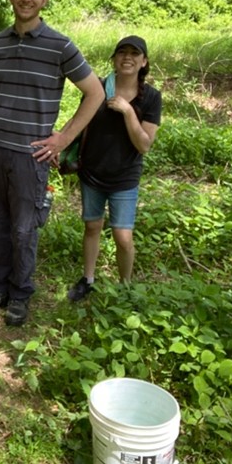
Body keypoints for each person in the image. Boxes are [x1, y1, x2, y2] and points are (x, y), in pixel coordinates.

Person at [0, 0, 105, 327]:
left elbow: (96, 93)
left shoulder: (60, 46)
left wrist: (64, 138)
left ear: (44, 0)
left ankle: (20, 294)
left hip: (31, 156)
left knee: (24, 230)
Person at [67, 35, 162, 301]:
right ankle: (88, 280)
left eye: (134, 53)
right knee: (92, 226)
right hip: (92, 172)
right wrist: (60, 143)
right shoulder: (97, 88)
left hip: (125, 177)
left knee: (123, 237)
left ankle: (125, 286)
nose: (127, 58)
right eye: (122, 52)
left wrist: (128, 111)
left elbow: (144, 145)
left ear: (144, 62)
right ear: (114, 58)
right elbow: (79, 122)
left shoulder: (151, 98)